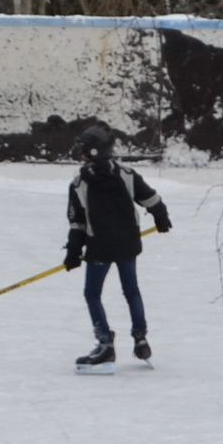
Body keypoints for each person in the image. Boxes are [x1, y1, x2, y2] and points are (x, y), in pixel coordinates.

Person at [63, 124, 173, 369]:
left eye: (83, 148)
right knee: (131, 290)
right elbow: (151, 199)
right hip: (127, 245)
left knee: (92, 294)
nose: (79, 152)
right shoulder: (126, 174)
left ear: (93, 152)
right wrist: (161, 216)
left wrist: (73, 251)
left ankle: (105, 344)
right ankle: (141, 338)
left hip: (99, 247)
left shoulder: (79, 183)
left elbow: (78, 223)